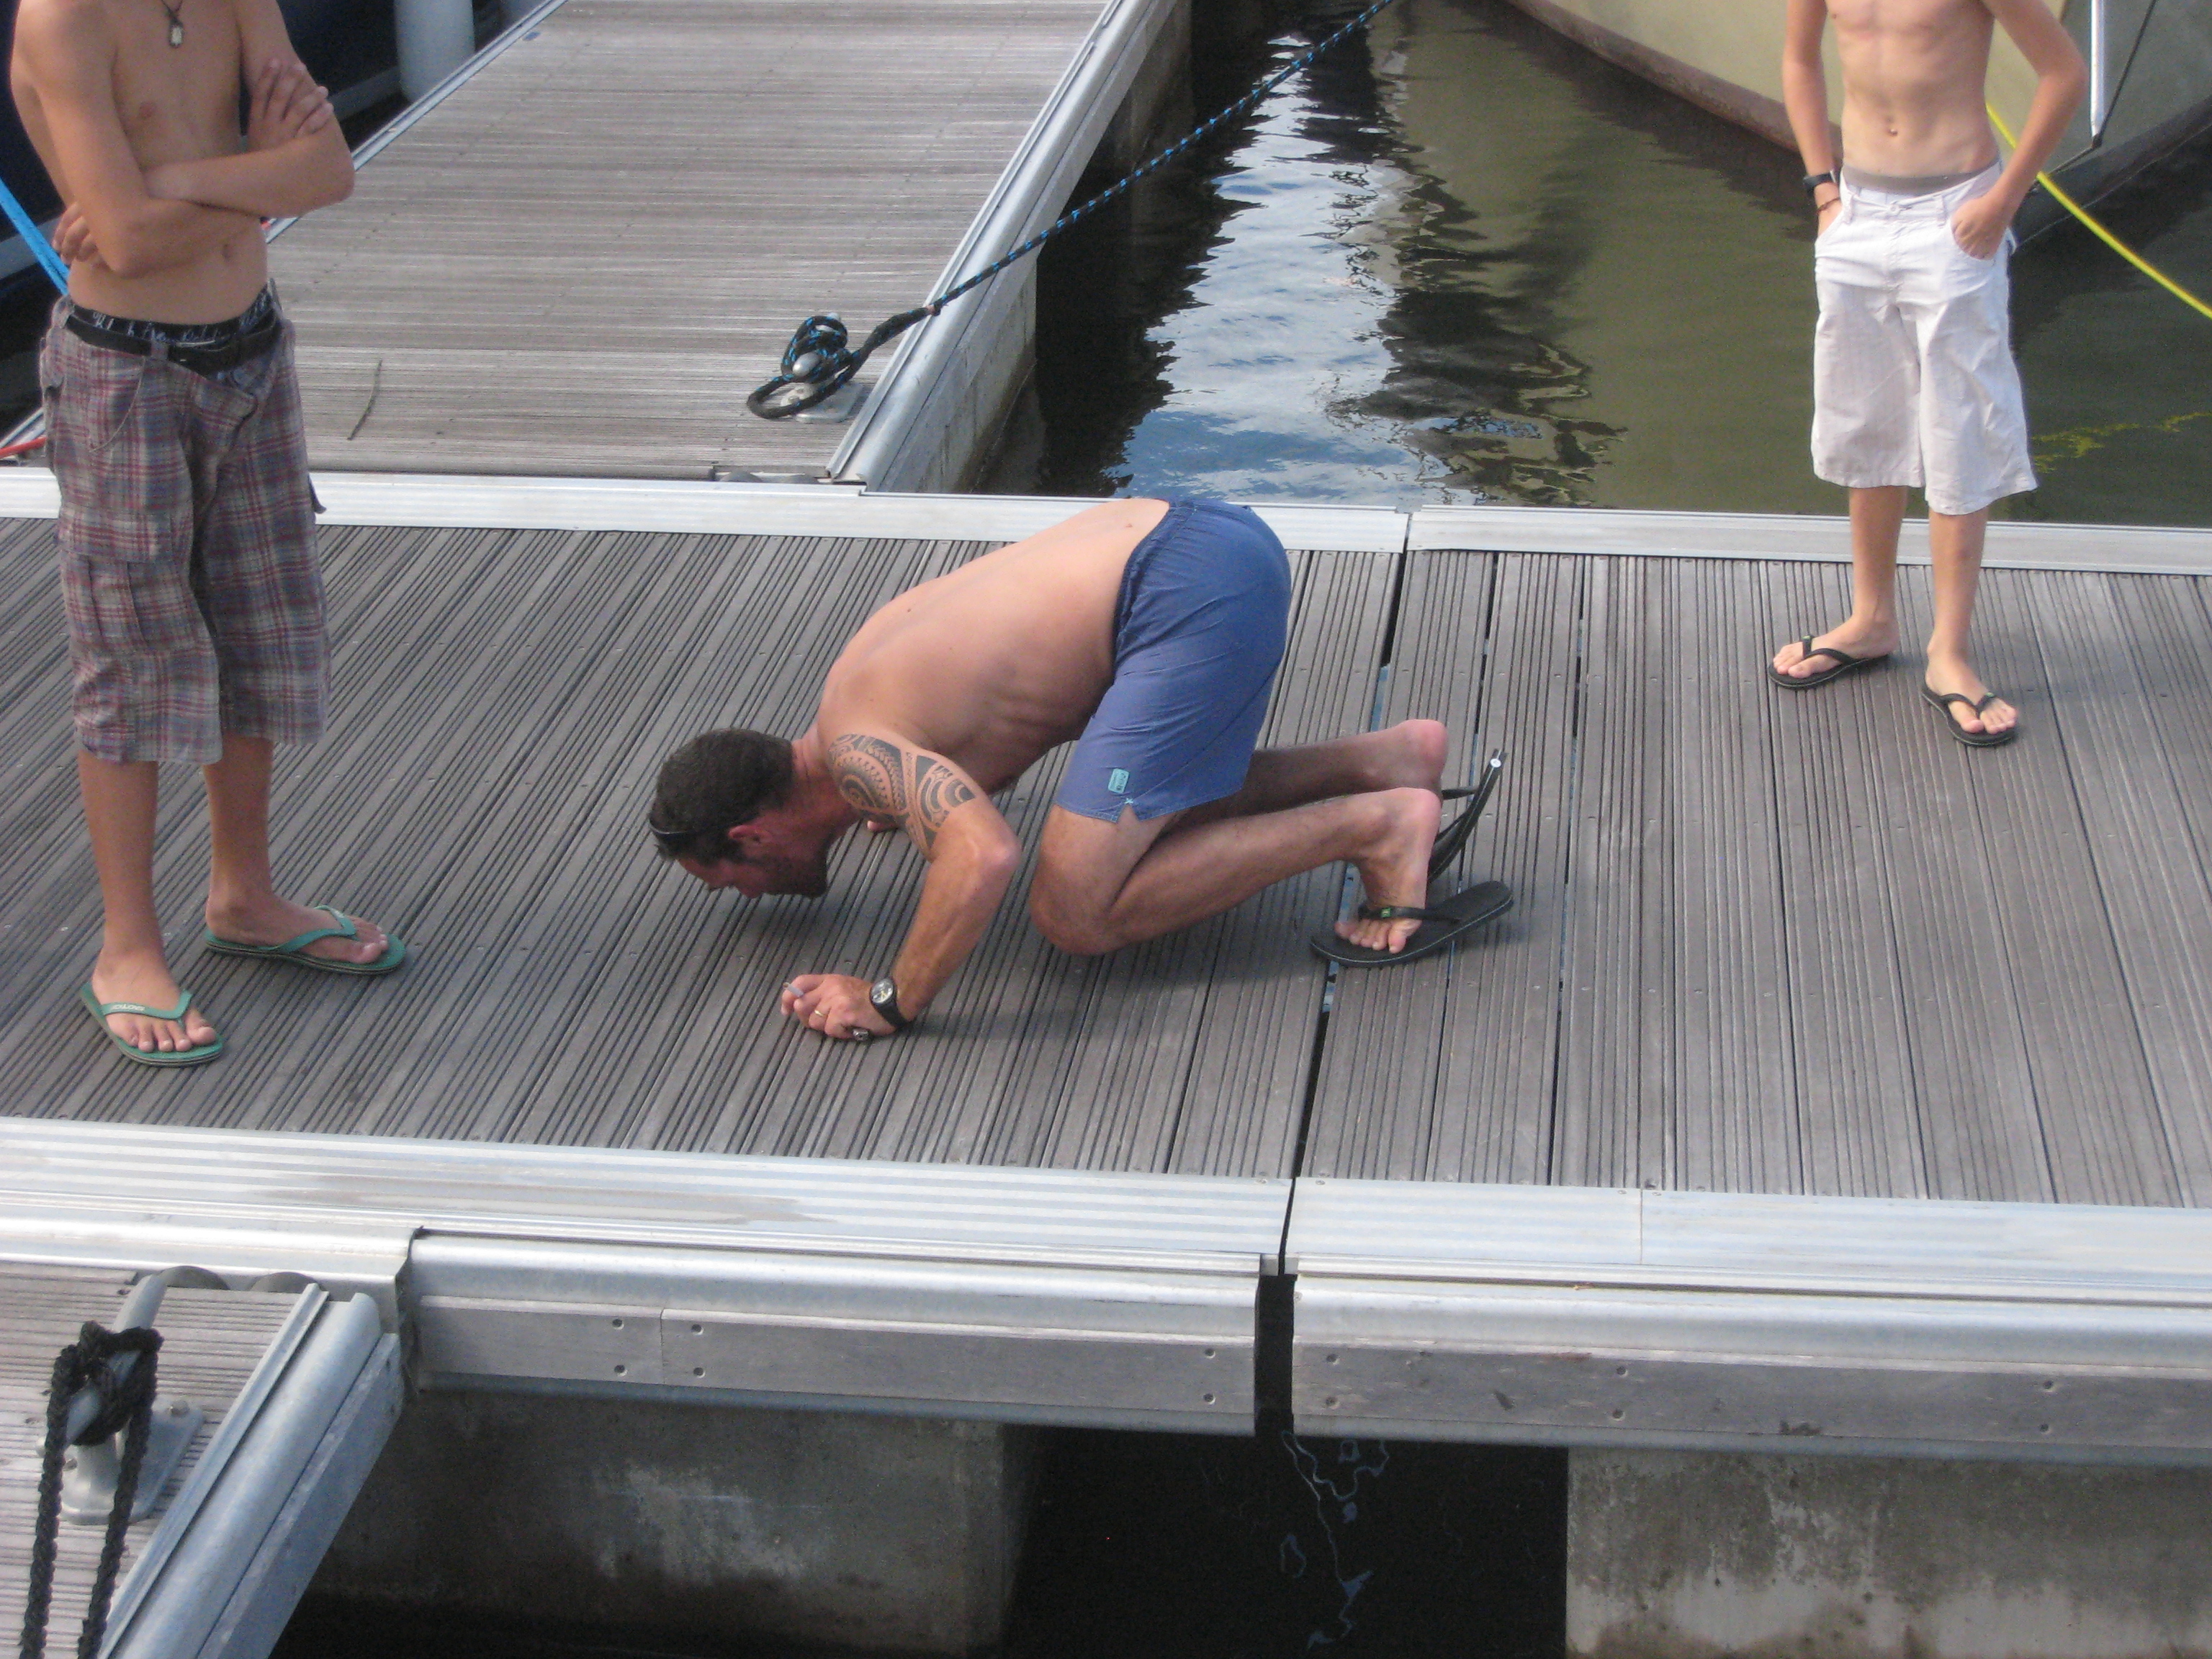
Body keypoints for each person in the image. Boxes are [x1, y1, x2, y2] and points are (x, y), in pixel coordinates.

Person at [649, 499, 1506, 1042]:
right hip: (1201, 533)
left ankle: (1378, 826)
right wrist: (903, 804)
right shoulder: (852, 701)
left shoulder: (862, 757)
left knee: (1074, 906)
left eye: (725, 882)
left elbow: (983, 855)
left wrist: (888, 998)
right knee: (1137, 816)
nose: (743, 898)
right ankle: (1389, 761)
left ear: (751, 836)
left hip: (1179, 599)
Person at [12, 0, 403, 1067]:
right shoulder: (64, 19)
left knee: (256, 626)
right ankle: (125, 947)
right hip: (123, 367)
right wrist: (253, 179)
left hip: (251, 349)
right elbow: (128, 244)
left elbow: (329, 173)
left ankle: (244, 894)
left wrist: (173, 179)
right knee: (132, 653)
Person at [1769, 0, 2085, 746]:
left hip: (1957, 212)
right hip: (1856, 211)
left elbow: (2064, 73)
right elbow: (1799, 59)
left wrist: (2004, 201)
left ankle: (1950, 651)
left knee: (1958, 427)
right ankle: (1872, 618)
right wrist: (1823, 189)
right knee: (1863, 417)